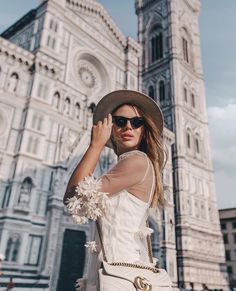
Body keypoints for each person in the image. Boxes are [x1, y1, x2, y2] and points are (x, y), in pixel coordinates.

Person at [63, 90, 166, 291]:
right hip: (113, 270)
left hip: (120, 272)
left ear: (144, 130)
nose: (128, 126)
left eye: (136, 122)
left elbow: (74, 196)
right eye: (120, 121)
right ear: (111, 128)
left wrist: (95, 145)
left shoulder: (137, 161)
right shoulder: (127, 165)